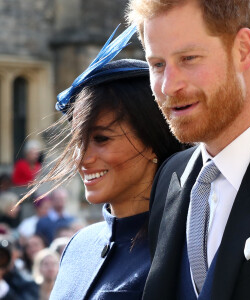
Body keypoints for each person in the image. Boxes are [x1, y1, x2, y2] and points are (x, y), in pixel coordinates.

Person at [126, 1, 250, 299]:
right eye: (157, 65)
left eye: (189, 58)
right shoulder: (171, 176)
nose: (168, 85)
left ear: (243, 49)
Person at [20, 25, 183, 299]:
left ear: (153, 141)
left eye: (102, 139)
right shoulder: (77, 246)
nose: (82, 158)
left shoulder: (184, 252)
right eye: (79, 142)